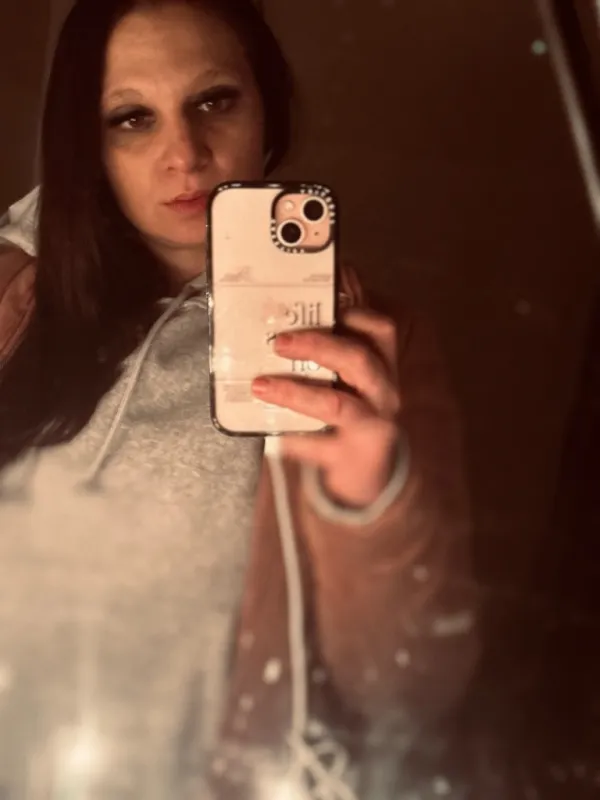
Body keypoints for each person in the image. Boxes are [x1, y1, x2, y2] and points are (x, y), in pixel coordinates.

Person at [0, 0, 478, 797]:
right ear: (88, 144)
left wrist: (368, 501)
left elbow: (413, 689)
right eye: (131, 119)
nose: (184, 155)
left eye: (214, 101)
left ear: (267, 110)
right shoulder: (20, 300)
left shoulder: (370, 351)